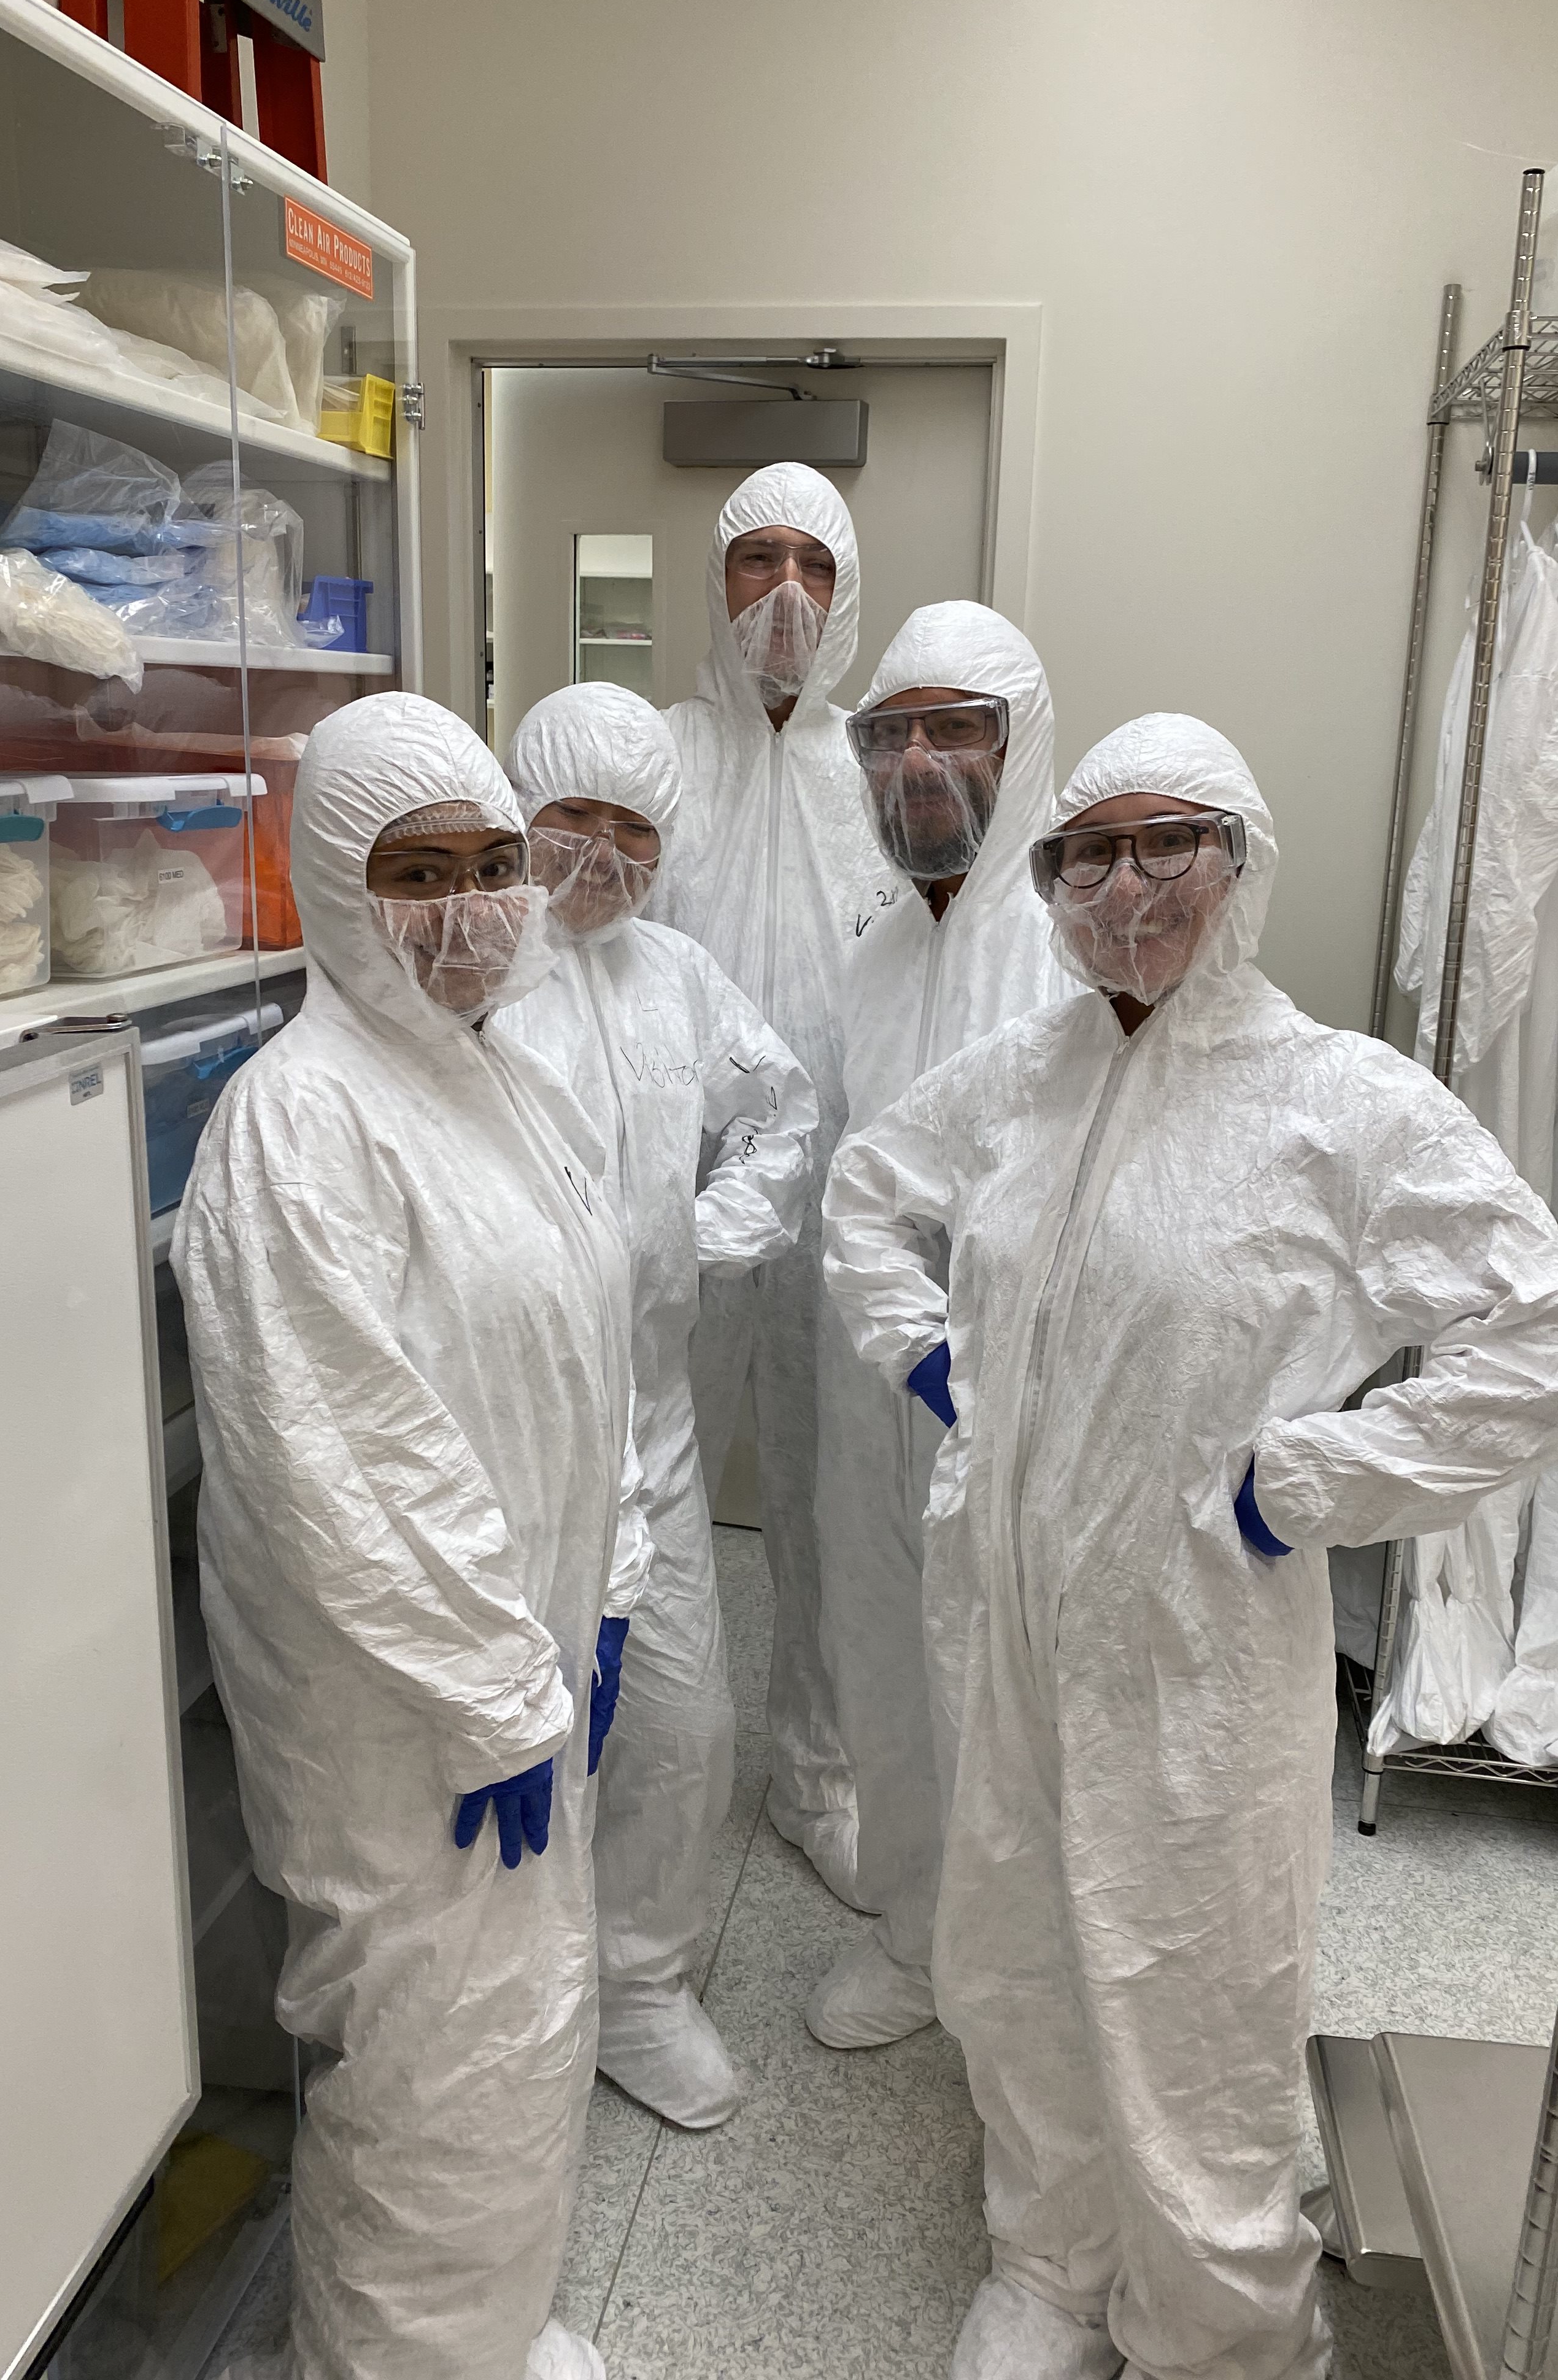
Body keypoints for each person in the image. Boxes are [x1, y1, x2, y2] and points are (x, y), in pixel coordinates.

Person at [823, 713, 1558, 2380]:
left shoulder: (1332, 1102)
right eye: (1088, 851)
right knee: (1009, 1955)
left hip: (1197, 1642)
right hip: (1003, 1622)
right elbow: (865, 1190)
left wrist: (1309, 1480)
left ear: (1242, 860)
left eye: (1171, 843)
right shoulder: (1030, 1066)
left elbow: (1533, 1325)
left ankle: (1220, 2330)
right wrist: (928, 1356)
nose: (1127, 885)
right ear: (1050, 885)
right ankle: (1048, 2263)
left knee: (1192, 1994)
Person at [173, 693, 651, 2380]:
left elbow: (595, 1366)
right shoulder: (294, 1127)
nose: (470, 909)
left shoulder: (504, 1084)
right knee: (434, 2056)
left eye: (491, 865)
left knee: (520, 2037)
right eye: (418, 873)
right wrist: (488, 1688)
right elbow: (344, 1466)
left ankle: (484, 2333)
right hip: (401, 1715)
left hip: (512, 1665)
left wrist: (601, 1595)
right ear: (337, 891)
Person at [498, 681, 817, 2129]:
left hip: (657, 1422)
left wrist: (705, 1233)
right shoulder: (468, 980)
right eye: (573, 820)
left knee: (681, 1728)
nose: (601, 858)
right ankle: (517, 1996)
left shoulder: (678, 977)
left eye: (633, 831)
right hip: (508, 1431)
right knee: (518, 1731)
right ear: (521, 810)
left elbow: (782, 1115)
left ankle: (637, 1984)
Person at [808, 601, 1071, 2051]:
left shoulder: (1068, 953)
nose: (916, 761)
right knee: (883, 1660)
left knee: (1002, 1690)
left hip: (1011, 1396)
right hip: (871, 1387)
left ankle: (1010, 1984)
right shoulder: (869, 959)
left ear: (1015, 746)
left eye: (953, 728)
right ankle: (914, 1938)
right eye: (889, 733)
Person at [653, 458, 887, 1906]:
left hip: (840, 1192)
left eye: (812, 562)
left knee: (828, 1495)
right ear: (718, 582)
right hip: (671, 1200)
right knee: (655, 1480)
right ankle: (644, 1771)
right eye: (756, 561)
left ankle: (816, 1772)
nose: (783, 594)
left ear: (847, 586)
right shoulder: (662, 758)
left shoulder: (882, 768)